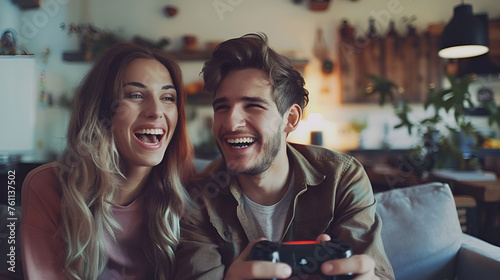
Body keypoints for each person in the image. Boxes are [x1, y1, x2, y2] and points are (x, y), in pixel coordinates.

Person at [175, 33, 395, 280]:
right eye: (222, 107)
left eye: (253, 105)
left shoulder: (342, 178)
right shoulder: (198, 197)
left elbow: (377, 273)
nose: (230, 122)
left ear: (290, 119)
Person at [20, 42, 194, 280]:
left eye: (167, 97)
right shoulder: (47, 186)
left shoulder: (189, 185)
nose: (156, 110)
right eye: (135, 95)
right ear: (102, 111)